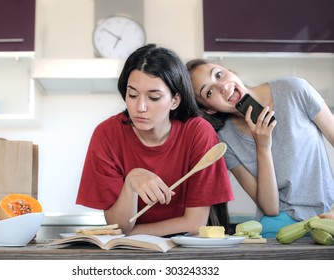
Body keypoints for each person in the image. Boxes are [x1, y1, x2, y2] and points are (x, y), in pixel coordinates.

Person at [76, 44, 233, 236]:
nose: (140, 107)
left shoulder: (198, 133)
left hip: (186, 249)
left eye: (154, 97)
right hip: (131, 252)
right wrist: (131, 184)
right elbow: (118, 225)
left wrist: (131, 233)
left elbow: (194, 224)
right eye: (132, 95)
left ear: (175, 100)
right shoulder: (107, 134)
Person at [186, 58, 334, 237]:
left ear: (230, 70)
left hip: (327, 216)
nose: (223, 87)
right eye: (209, 92)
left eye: (219, 74)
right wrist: (262, 147)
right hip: (279, 224)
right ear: (209, 109)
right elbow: (270, 208)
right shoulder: (224, 140)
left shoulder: (295, 90)